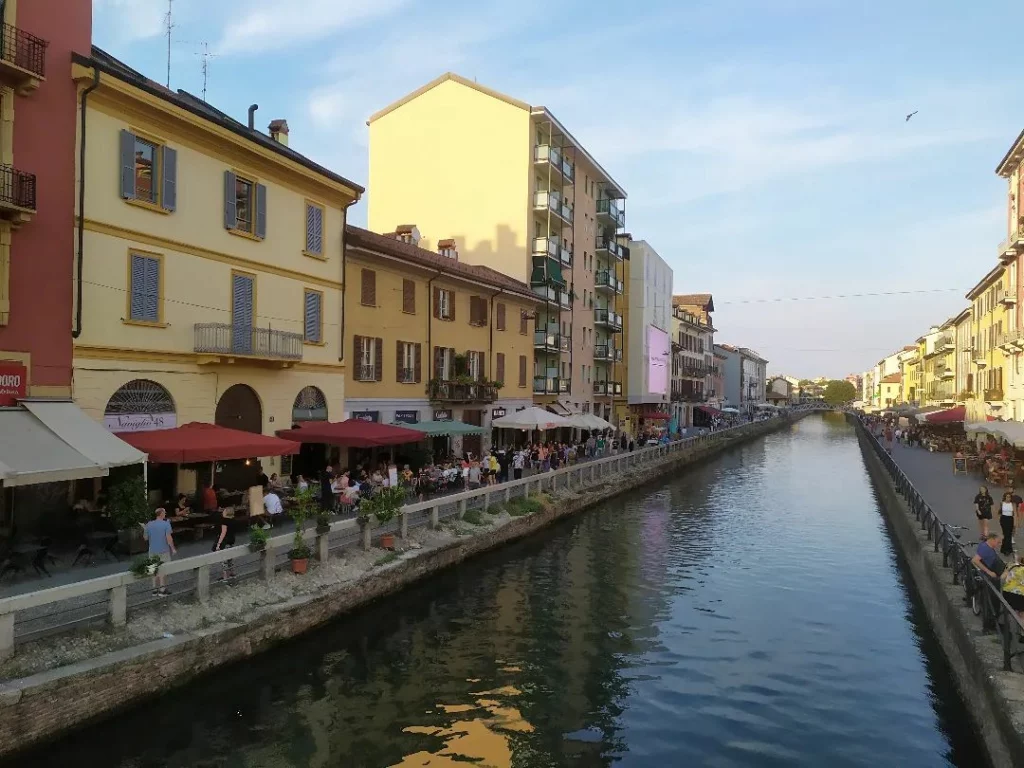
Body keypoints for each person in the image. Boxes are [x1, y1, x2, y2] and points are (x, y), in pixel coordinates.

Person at [143, 508, 176, 597]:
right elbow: (169, 538)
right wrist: (173, 548)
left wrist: (145, 529)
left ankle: (154, 590)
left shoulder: (149, 524)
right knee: (163, 570)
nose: (165, 514)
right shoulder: (166, 524)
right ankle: (162, 590)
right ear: (161, 514)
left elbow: (145, 538)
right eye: (165, 513)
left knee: (153, 569)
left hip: (152, 551)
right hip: (163, 550)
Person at [212, 506, 238, 582]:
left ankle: (225, 577)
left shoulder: (224, 522)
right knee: (230, 559)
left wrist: (218, 544)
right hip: (231, 541)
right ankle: (232, 573)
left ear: (226, 512)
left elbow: (223, 533)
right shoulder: (233, 520)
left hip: (225, 542)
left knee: (224, 560)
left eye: (224, 511)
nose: (222, 512)